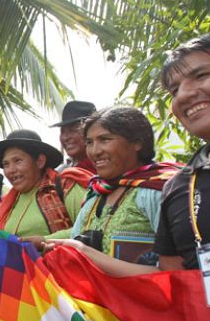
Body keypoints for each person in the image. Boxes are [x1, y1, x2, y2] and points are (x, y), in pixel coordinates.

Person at [49, 31, 210, 276]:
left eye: (201, 75)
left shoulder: (155, 188)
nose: (184, 95)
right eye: (174, 90)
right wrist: (82, 253)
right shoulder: (179, 187)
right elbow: (170, 282)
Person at [68, 107, 181, 264]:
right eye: (89, 142)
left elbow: (178, 269)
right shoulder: (95, 193)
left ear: (137, 143)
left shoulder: (159, 190)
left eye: (105, 140)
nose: (95, 151)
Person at [0, 130, 91, 247]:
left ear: (40, 161)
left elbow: (90, 228)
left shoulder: (65, 187)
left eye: (18, 161)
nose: (11, 170)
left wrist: (45, 240)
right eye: (6, 164)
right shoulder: (7, 204)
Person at [51, 100, 97, 173]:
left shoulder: (105, 168)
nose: (66, 137)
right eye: (62, 131)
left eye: (73, 129)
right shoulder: (60, 173)